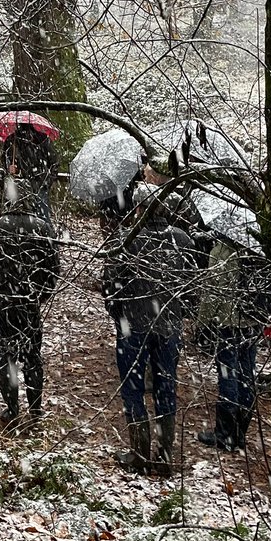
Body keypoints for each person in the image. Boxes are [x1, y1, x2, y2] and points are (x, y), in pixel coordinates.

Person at [101, 182, 196, 476]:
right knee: (166, 386)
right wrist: (182, 313)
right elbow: (192, 289)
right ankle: (164, 454)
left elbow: (110, 287)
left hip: (134, 326)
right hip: (168, 326)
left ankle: (140, 452)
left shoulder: (127, 240)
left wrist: (119, 315)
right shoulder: (183, 240)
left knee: (133, 386)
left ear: (139, 207)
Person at [0, 179, 61, 430]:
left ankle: (12, 408)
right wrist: (40, 294)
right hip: (28, 302)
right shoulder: (42, 228)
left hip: (2, 303)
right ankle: (35, 409)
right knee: (32, 356)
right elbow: (52, 269)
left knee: (6, 356)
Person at [196, 238, 271, 452]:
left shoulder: (222, 251)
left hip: (229, 323)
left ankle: (224, 434)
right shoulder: (258, 247)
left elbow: (212, 292)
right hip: (252, 322)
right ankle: (240, 433)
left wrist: (201, 323)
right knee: (246, 375)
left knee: (228, 376)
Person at [3, 123, 57, 223]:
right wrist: (10, 168)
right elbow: (4, 161)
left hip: (38, 185)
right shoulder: (12, 140)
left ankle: (43, 237)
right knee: (21, 219)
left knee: (41, 218)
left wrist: (46, 182)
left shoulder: (41, 140)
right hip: (18, 185)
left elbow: (53, 164)